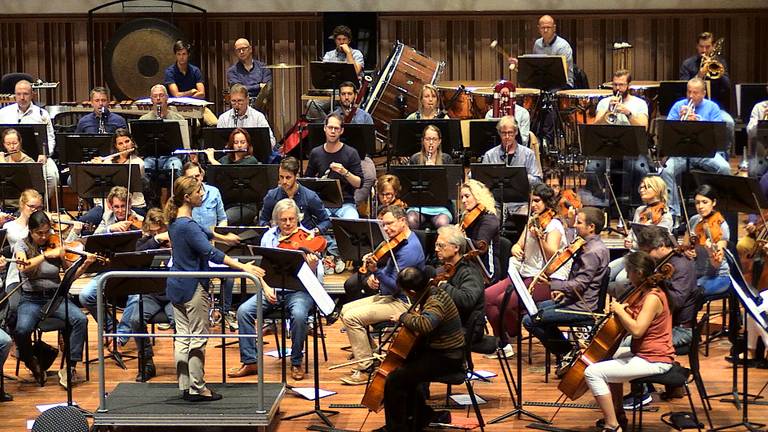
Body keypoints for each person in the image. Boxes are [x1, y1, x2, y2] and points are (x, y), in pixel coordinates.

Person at [164, 175, 266, 402]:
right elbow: (211, 253)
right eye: (199, 192)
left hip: (175, 285)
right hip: (192, 287)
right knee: (198, 338)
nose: (203, 194)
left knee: (182, 337)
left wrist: (224, 237)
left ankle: (186, 385)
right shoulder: (187, 226)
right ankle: (198, 388)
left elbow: (205, 231)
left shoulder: (175, 220)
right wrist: (242, 267)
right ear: (188, 197)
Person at [230, 198, 324, 381]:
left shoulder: (307, 238)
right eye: (283, 220)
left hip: (299, 292)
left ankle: (296, 361)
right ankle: (250, 361)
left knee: (298, 315)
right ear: (276, 221)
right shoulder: (269, 237)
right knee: (243, 312)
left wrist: (312, 266)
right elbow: (262, 269)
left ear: (298, 218)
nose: (288, 224)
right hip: (272, 289)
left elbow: (317, 278)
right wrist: (265, 288)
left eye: (292, 219)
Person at [583, 251, 675, 432]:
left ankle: (612, 425)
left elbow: (637, 330)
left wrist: (620, 311)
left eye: (628, 271)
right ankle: (618, 413)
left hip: (655, 359)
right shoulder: (646, 293)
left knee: (592, 373)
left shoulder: (652, 297)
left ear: (639, 273)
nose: (626, 276)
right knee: (608, 359)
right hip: (645, 353)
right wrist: (626, 311)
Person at [338, 205, 425, 385]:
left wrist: (376, 272)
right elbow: (390, 272)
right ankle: (372, 355)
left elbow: (395, 286)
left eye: (389, 224)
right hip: (393, 296)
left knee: (352, 318)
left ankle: (365, 368)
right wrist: (373, 276)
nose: (385, 229)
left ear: (402, 221)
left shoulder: (410, 250)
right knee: (345, 310)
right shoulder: (398, 241)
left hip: (405, 303)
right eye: (383, 225)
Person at [485, 183, 571, 358]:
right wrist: (515, 248)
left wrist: (540, 238)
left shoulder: (554, 225)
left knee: (503, 301)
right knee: (487, 296)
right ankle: (503, 342)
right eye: (532, 201)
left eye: (538, 201)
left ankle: (513, 330)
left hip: (543, 278)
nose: (534, 205)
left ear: (547, 202)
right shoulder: (532, 220)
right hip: (524, 273)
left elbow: (552, 256)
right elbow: (519, 244)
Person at [377, 267, 466, 432]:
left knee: (394, 379)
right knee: (407, 372)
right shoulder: (430, 291)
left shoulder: (435, 300)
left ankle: (396, 428)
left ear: (411, 291)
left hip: (448, 358)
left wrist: (403, 316)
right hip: (440, 352)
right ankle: (419, 418)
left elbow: (426, 324)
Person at [522, 207, 610, 371]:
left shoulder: (593, 251)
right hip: (574, 299)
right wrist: (563, 291)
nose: (575, 225)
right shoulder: (588, 246)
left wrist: (551, 284)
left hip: (582, 307)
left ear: (591, 227)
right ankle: (568, 352)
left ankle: (566, 353)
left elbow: (580, 285)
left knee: (530, 320)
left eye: (579, 222)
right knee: (537, 308)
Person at [14, 210, 94, 388]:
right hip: (31, 299)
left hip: (55, 298)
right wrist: (44, 256)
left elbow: (69, 276)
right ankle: (32, 362)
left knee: (80, 319)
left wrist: (85, 264)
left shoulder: (55, 245)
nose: (43, 237)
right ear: (31, 231)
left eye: (46, 232)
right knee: (21, 330)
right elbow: (24, 268)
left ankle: (70, 367)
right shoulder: (22, 245)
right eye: (39, 233)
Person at [658, 77, 730, 217]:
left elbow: (716, 134)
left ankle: (720, 209)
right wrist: (680, 120)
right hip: (682, 152)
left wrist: (698, 121)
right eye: (689, 92)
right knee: (666, 171)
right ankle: (675, 213)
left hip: (705, 152)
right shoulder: (678, 106)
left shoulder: (712, 107)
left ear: (703, 93)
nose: (691, 96)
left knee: (725, 168)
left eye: (695, 93)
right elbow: (668, 133)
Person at [181, 161, 236, 330]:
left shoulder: (214, 192)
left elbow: (223, 218)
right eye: (191, 177)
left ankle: (224, 310)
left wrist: (220, 236)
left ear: (202, 175)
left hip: (213, 244)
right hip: (194, 248)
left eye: (197, 176)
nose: (195, 180)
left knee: (230, 274)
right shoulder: (183, 199)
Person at [129, 208, 174, 382]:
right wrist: (156, 239)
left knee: (179, 321)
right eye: (153, 231)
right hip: (151, 295)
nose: (157, 234)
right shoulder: (145, 242)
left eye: (160, 231)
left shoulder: (175, 240)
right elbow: (137, 255)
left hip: (172, 295)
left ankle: (182, 361)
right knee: (135, 320)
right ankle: (146, 362)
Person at [607, 175, 673, 292]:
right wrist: (628, 239)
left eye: (646, 187)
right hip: (632, 255)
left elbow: (655, 245)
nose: (642, 190)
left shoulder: (665, 216)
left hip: (646, 260)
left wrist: (634, 245)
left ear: (657, 190)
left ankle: (627, 306)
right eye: (641, 187)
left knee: (621, 280)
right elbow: (633, 232)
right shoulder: (640, 210)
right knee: (606, 272)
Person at [0, 80, 59, 199]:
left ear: (32, 94)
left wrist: (45, 154)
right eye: (18, 94)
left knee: (52, 176)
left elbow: (51, 138)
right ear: (14, 95)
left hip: (37, 157)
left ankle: (40, 206)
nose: (22, 97)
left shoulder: (42, 114)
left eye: (26, 94)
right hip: (7, 155)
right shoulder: (3, 113)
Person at [480, 115, 542, 215]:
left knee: (524, 217)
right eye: (504, 133)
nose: (507, 137)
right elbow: (482, 182)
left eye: (510, 133)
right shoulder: (490, 155)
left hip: (521, 203)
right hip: (496, 203)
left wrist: (522, 177)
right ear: (499, 133)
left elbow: (538, 180)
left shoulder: (528, 154)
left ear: (516, 132)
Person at [304, 113, 363, 219]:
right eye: (330, 127)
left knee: (353, 220)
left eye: (336, 128)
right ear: (324, 128)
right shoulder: (316, 153)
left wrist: (344, 172)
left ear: (341, 131)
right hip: (322, 204)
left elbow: (359, 183)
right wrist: (318, 181)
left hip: (346, 204)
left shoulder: (351, 153)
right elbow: (306, 181)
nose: (332, 131)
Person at [433, 225, 485, 341]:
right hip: (453, 323)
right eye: (436, 245)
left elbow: (466, 300)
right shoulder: (447, 269)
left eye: (441, 245)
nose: (436, 249)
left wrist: (441, 285)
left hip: (467, 329)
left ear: (456, 248)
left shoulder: (469, 272)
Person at [203, 128, 260, 225]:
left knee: (224, 220)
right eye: (236, 142)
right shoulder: (225, 159)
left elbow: (229, 172)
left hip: (246, 205)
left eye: (242, 142)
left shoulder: (251, 161)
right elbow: (211, 177)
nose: (239, 145)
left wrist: (212, 159)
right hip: (225, 204)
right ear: (231, 144)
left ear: (248, 144)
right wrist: (195, 161)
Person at [259, 156, 330, 233]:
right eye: (281, 177)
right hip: (279, 239)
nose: (284, 181)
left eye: (288, 177)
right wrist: (266, 228)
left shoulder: (310, 197)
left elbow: (326, 221)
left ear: (296, 176)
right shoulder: (272, 196)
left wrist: (315, 231)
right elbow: (263, 219)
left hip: (304, 239)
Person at [682, 184, 730, 297]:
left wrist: (710, 252)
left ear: (713, 202)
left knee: (691, 293)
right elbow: (684, 246)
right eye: (697, 203)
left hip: (718, 276)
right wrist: (687, 251)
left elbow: (717, 264)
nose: (700, 206)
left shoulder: (721, 226)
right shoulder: (694, 220)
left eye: (705, 202)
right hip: (697, 273)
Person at [406, 124, 453, 230]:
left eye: (434, 139)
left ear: (439, 141)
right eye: (428, 139)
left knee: (443, 222)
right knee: (411, 219)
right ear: (423, 141)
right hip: (419, 205)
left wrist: (435, 173)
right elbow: (409, 186)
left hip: (441, 206)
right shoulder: (415, 159)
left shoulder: (446, 159)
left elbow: (451, 187)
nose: (431, 143)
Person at [164, 40, 217, 126]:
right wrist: (191, 92)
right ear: (175, 55)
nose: (181, 57)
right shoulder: (170, 72)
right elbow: (176, 95)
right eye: (179, 54)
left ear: (188, 55)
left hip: (197, 106)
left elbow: (202, 93)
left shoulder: (195, 70)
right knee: (195, 125)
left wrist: (187, 95)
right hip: (177, 108)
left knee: (215, 123)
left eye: (184, 54)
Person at [458, 179, 501, 282]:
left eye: (467, 196)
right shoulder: (468, 215)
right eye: (462, 197)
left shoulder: (489, 219)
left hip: (487, 270)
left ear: (478, 196)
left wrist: (460, 238)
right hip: (471, 264)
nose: (463, 201)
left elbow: (480, 247)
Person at [138, 84, 186, 173]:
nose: (158, 98)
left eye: (161, 95)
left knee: (176, 167)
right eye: (155, 96)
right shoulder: (144, 119)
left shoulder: (178, 118)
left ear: (167, 98)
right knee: (143, 168)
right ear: (151, 99)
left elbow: (185, 144)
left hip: (172, 156)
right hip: (151, 157)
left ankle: (176, 187)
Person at [216, 83, 277, 151]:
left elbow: (271, 141)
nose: (236, 104)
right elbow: (219, 144)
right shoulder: (223, 118)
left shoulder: (258, 117)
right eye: (233, 101)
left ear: (247, 99)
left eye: (240, 101)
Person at [679, 32, 731, 111]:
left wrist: (718, 71)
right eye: (701, 47)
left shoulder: (720, 63)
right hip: (693, 106)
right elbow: (683, 88)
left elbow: (727, 86)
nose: (704, 50)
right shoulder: (687, 64)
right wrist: (700, 75)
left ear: (713, 47)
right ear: (697, 46)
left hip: (717, 106)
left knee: (729, 122)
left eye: (707, 47)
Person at [484, 83, 532, 148]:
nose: (505, 97)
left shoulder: (523, 113)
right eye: (502, 95)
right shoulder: (490, 114)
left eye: (507, 95)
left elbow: (524, 141)